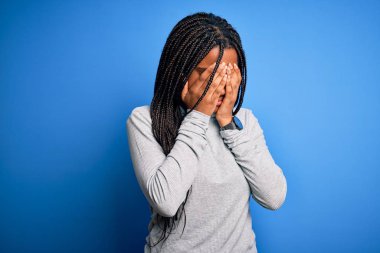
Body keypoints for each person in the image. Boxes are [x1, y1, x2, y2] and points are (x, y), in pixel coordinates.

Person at [126, 12, 287, 253]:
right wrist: (199, 115)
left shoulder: (245, 121)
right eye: (212, 74)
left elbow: (273, 197)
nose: (221, 85)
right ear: (181, 72)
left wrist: (227, 122)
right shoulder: (145, 119)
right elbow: (166, 202)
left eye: (229, 73)